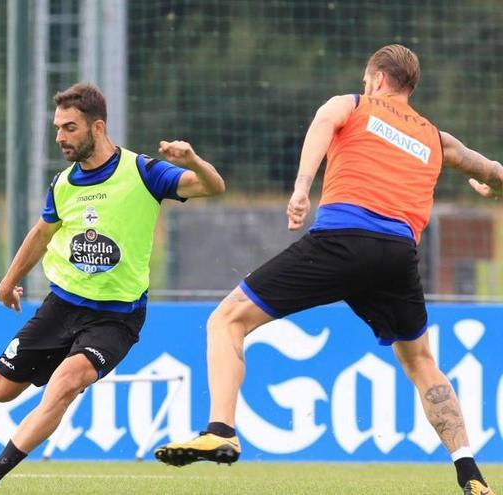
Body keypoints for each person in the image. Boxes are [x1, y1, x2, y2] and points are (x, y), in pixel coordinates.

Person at [154, 44, 501, 495]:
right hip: (397, 255)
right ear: (409, 87)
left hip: (342, 241)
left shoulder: (352, 105)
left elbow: (323, 123)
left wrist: (301, 188)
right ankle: (469, 471)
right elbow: (491, 167)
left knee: (227, 319)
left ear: (377, 78)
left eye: (365, 80)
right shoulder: (435, 138)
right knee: (421, 361)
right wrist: (491, 187)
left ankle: (221, 429)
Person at [0, 82, 226, 494]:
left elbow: (213, 187)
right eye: (57, 128)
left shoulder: (143, 172)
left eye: (69, 128)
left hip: (116, 317)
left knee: (65, 385)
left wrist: (193, 159)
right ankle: (62, 366)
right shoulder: (64, 183)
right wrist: (9, 280)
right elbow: (41, 233)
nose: (60, 138)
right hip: (62, 306)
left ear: (97, 127)